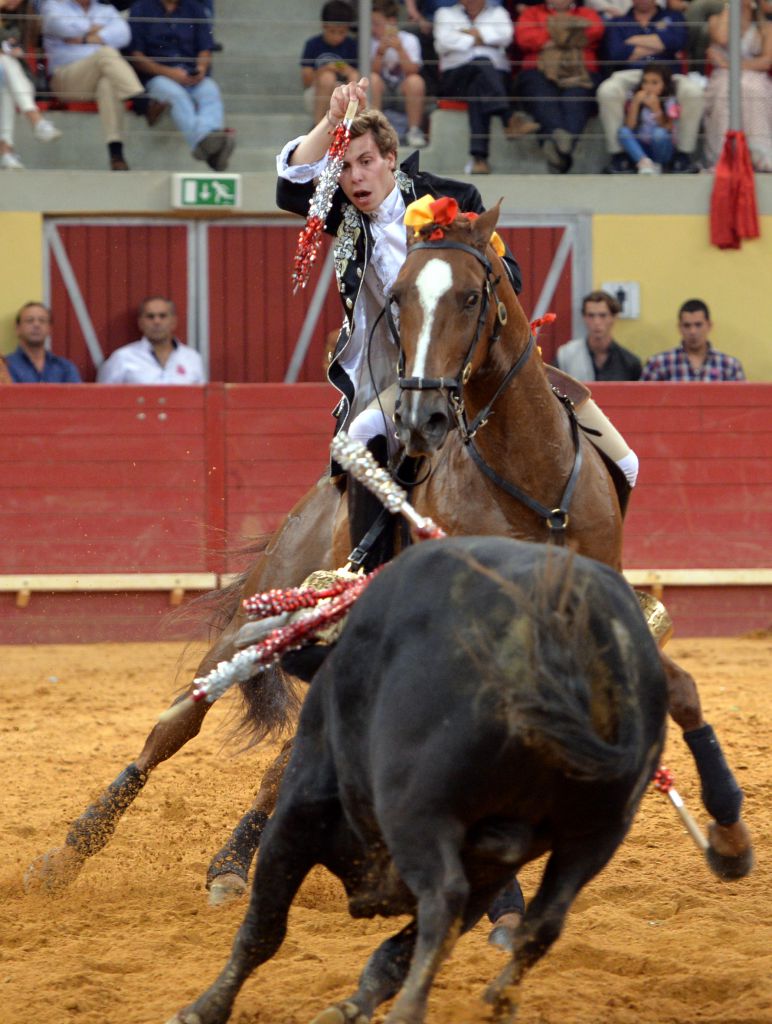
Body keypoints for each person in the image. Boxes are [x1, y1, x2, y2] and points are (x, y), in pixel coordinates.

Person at [276, 78, 639, 494]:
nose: (356, 177)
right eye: (344, 166)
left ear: (391, 159)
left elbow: (512, 279)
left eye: (367, 161)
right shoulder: (346, 215)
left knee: (625, 464)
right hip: (410, 378)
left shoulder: (449, 197)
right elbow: (291, 187)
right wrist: (331, 120)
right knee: (356, 440)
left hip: (480, 365)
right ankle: (365, 556)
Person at [598, 0, 704, 174]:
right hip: (632, 74)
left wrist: (633, 43)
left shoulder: (673, 16)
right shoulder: (619, 22)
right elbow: (616, 53)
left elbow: (677, 41)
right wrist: (659, 43)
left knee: (694, 92)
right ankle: (619, 156)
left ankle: (683, 155)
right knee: (607, 90)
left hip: (667, 73)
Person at [129, 0, 234, 170]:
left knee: (210, 89)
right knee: (175, 95)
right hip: (157, 76)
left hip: (191, 75)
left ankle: (208, 141)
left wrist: (200, 68)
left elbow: (205, 48)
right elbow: (136, 56)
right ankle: (211, 147)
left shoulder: (194, 7)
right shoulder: (141, 8)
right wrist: (169, 73)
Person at [41, 0, 144, 170]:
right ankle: (139, 98)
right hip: (65, 78)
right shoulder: (54, 5)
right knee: (106, 53)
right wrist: (98, 30)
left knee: (107, 84)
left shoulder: (106, 9)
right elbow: (60, 26)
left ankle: (115, 152)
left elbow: (124, 34)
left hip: (95, 80)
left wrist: (83, 39)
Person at [514, 0, 605, 174]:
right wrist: (571, 34)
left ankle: (555, 147)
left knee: (576, 100)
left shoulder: (587, 13)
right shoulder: (531, 13)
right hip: (538, 70)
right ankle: (562, 145)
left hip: (580, 71)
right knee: (541, 95)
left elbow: (595, 31)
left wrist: (549, 35)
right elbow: (525, 37)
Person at [433, 0, 517, 174]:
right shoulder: (445, 13)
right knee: (483, 63)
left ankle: (479, 159)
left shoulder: (498, 13)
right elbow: (444, 41)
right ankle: (507, 116)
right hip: (456, 78)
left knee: (478, 87)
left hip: (494, 79)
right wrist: (484, 38)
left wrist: (465, 36)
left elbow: (506, 36)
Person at [703, 0, 772, 172]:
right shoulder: (715, 20)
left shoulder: (766, 27)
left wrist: (728, 64)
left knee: (752, 87)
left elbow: (766, 62)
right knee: (727, 89)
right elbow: (722, 38)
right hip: (723, 76)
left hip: (753, 75)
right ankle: (724, 156)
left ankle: (760, 154)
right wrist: (729, 7)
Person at [0, 0, 62, 170]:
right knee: (5, 64)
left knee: (4, 81)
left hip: (10, 77)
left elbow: (9, 41)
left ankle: (6, 152)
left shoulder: (15, 19)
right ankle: (36, 120)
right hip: (14, 77)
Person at [96, 296, 206, 383]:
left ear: (173, 321)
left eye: (162, 316)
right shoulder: (122, 358)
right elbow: (103, 401)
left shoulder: (192, 358)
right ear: (140, 323)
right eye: (150, 316)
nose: (156, 322)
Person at [641, 299, 746, 381]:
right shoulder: (659, 364)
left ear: (709, 325)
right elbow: (643, 403)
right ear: (679, 327)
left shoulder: (729, 365)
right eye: (687, 325)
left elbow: (742, 405)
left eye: (698, 325)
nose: (693, 331)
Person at [370, 0, 427, 148]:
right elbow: (369, 72)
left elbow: (413, 70)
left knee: (415, 80)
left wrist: (400, 50)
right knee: (372, 79)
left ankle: (414, 130)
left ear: (392, 22)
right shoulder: (370, 42)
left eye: (376, 23)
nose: (372, 28)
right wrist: (379, 53)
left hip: (402, 91)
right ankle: (374, 129)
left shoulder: (409, 39)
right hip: (381, 91)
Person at [556, 289, 642, 380]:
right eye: (591, 315)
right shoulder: (566, 355)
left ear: (614, 317)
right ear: (584, 318)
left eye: (603, 315)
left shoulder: (629, 362)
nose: (596, 322)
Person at [300, 0, 359, 128]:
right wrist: (324, 69)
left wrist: (348, 71)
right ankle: (316, 126)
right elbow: (306, 80)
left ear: (347, 29)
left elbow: (358, 76)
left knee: (354, 76)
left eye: (341, 32)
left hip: (343, 92)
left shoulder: (352, 46)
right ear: (324, 26)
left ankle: (352, 123)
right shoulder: (313, 44)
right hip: (317, 93)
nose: (336, 37)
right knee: (328, 78)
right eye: (332, 31)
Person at [618, 61, 678, 173]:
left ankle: (659, 164)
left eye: (654, 83)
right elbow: (630, 126)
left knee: (659, 133)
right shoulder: (634, 96)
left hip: (662, 147)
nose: (648, 87)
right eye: (645, 82)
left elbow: (667, 127)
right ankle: (644, 162)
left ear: (664, 84)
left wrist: (656, 108)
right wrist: (635, 103)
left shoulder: (669, 100)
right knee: (623, 132)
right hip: (642, 146)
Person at [6, 301, 82, 382]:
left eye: (42, 321)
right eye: (29, 320)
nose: (36, 325)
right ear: (18, 328)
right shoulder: (5, 367)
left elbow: (78, 395)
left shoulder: (66, 368)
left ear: (49, 329)